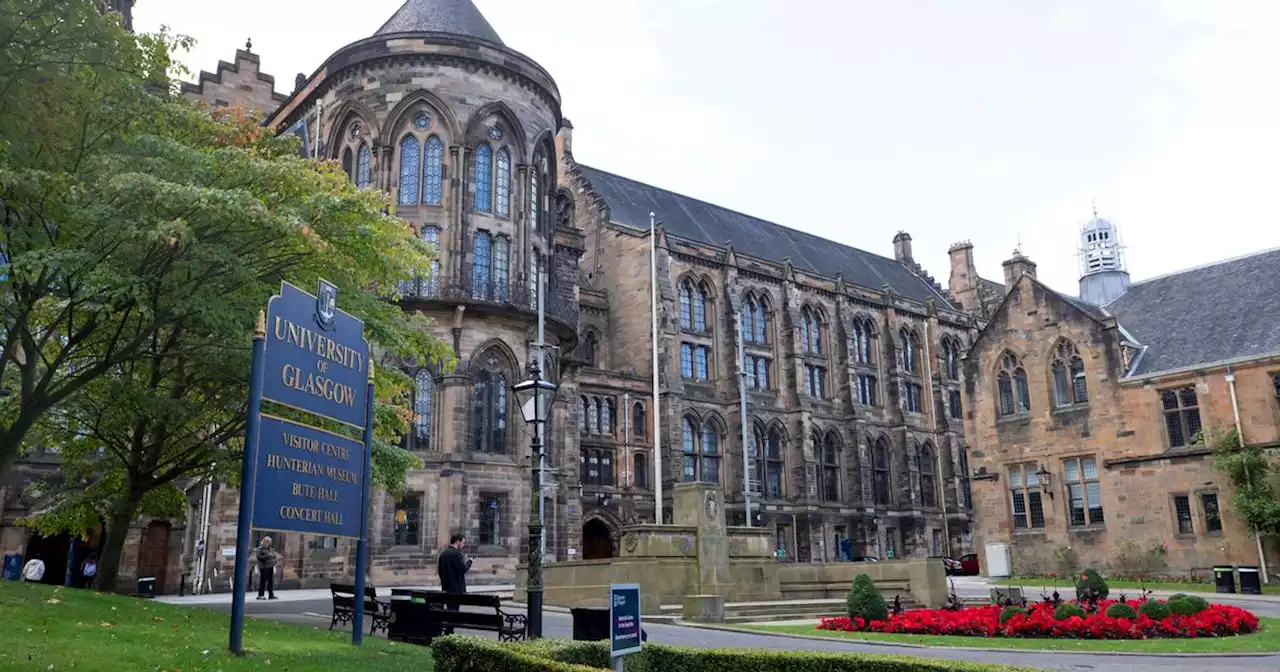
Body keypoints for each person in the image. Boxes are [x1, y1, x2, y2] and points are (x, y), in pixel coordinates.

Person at [436, 533, 472, 611]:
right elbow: (462, 570)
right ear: (457, 542)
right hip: (456, 589)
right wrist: (469, 562)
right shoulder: (457, 554)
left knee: (450, 609)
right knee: (454, 610)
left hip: (446, 587)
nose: (463, 545)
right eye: (463, 542)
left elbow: (440, 571)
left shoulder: (443, 554)